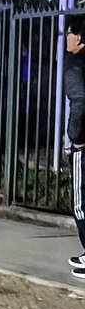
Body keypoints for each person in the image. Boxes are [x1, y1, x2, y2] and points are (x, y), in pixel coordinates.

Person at [64, 18, 85, 280]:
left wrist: (76, 138)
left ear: (79, 38)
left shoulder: (75, 66)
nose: (66, 38)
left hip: (84, 145)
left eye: (69, 33)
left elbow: (80, 101)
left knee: (81, 203)